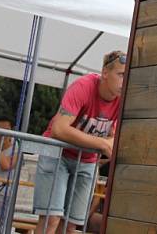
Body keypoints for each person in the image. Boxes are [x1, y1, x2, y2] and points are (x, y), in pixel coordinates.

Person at [33, 50, 126, 234]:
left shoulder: (125, 98)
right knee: (51, 219)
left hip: (87, 160)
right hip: (57, 154)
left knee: (70, 225)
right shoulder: (84, 86)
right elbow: (59, 128)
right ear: (105, 73)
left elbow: (114, 139)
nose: (125, 80)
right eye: (121, 74)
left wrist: (109, 143)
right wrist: (102, 143)